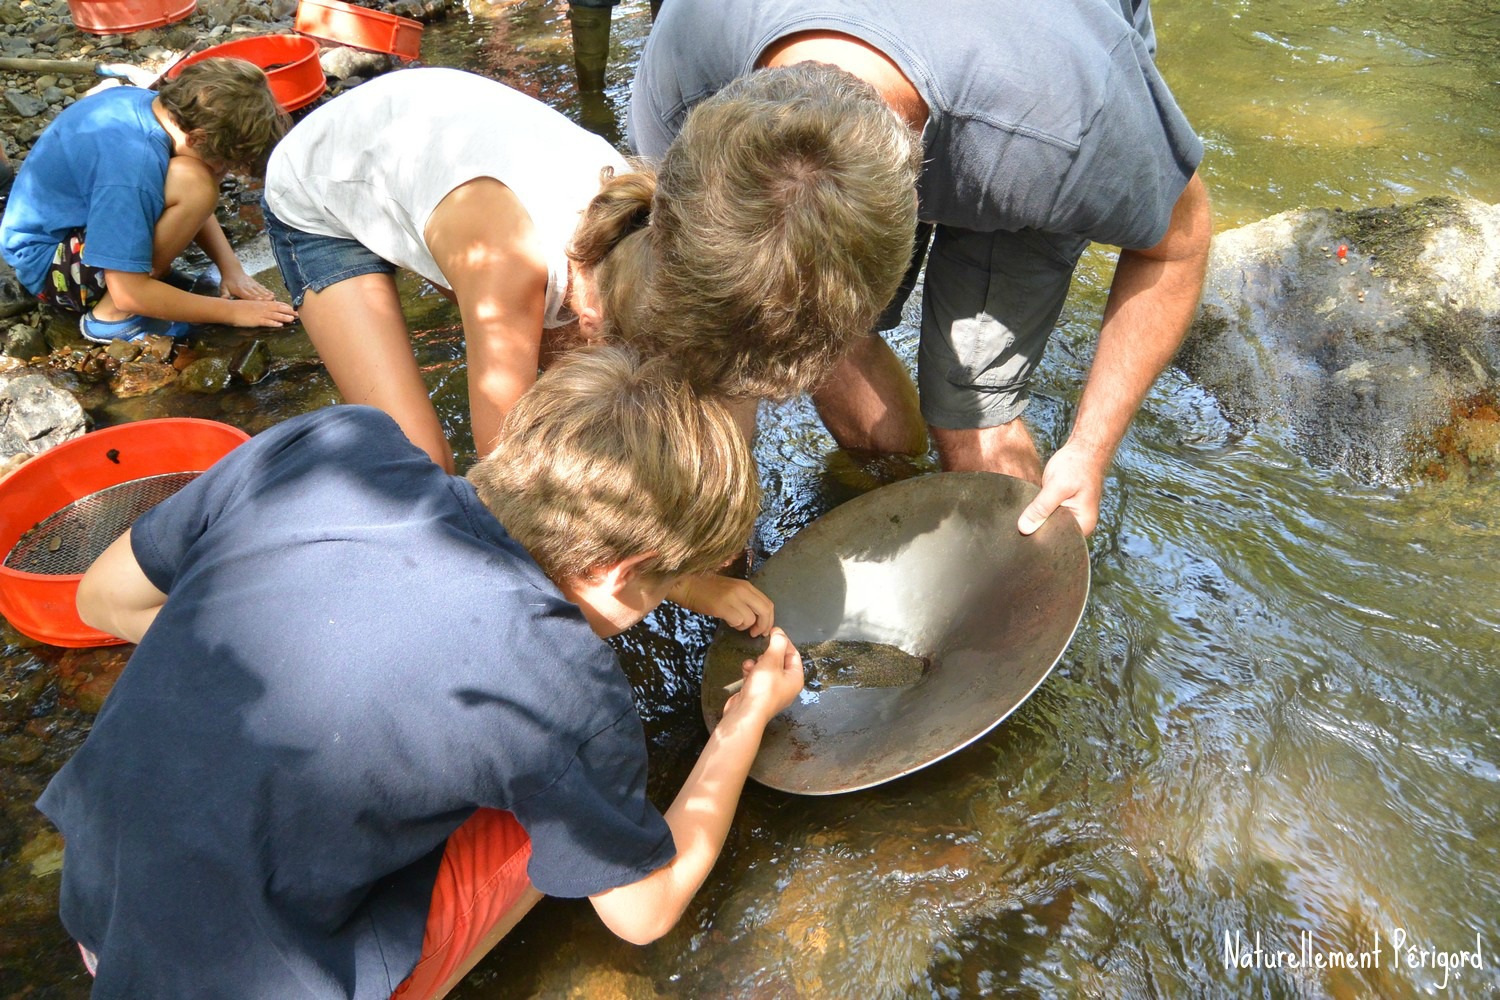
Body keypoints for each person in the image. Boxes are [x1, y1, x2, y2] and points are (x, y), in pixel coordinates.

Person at [39, 346, 802, 999]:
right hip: (246, 982)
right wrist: (745, 719)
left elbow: (101, 598)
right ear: (624, 570)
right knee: (557, 815)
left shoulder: (335, 441)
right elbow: (644, 913)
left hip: (99, 909)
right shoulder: (560, 679)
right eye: (667, 582)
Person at [628, 0, 1213, 536]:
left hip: (1032, 86)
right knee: (781, 350)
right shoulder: (686, 78)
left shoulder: (1067, 130)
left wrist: (1088, 450)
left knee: (973, 411)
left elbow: (1178, 244)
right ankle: (896, 477)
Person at [264, 66, 656, 473]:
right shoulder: (511, 265)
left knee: (602, 410)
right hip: (320, 183)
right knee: (423, 464)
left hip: (429, 164)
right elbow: (502, 467)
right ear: (591, 320)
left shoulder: (645, 213)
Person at [0, 59, 297, 342]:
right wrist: (232, 313)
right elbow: (128, 292)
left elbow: (192, 200)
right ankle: (110, 317)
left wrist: (231, 269)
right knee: (196, 182)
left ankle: (145, 279)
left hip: (63, 233)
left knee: (194, 179)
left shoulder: (153, 108)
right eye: (224, 164)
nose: (223, 174)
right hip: (51, 270)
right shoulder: (133, 167)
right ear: (197, 138)